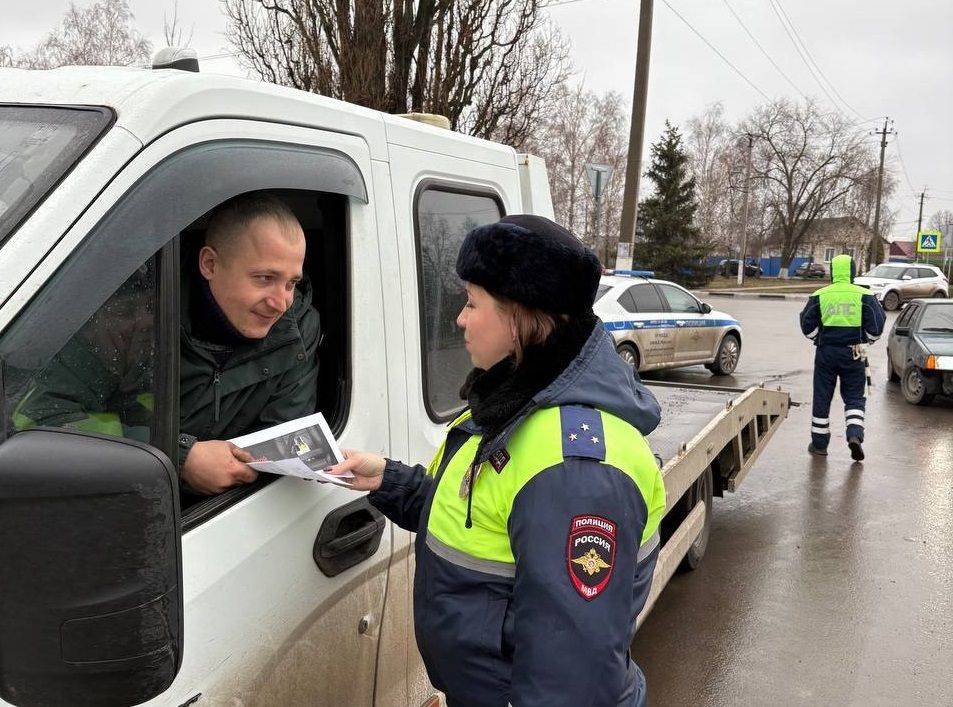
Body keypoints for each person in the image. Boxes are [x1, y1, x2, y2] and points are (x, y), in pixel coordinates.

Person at [328, 215, 666, 707]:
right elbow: (475, 515)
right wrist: (387, 480)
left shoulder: (575, 468)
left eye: (472, 303)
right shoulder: (512, 401)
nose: (460, 319)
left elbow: (571, 677)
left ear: (522, 317)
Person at [13, 192, 321, 495]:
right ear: (210, 264)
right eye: (265, 278)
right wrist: (179, 456)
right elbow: (38, 420)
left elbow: (284, 443)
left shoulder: (295, 332)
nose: (281, 302)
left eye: (291, 283)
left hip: (227, 519)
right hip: (124, 503)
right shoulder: (133, 321)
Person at [799, 253, 885, 461]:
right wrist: (865, 340)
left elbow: (805, 324)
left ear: (833, 273)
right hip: (854, 352)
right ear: (853, 271)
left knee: (822, 397)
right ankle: (854, 435)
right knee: (855, 397)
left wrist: (818, 338)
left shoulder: (820, 294)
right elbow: (877, 324)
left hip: (826, 353)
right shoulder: (864, 295)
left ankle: (819, 445)